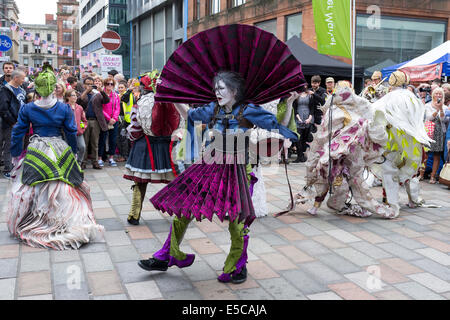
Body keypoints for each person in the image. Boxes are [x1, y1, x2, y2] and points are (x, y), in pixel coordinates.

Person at [137, 71, 298, 284]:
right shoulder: (213, 108)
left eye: (221, 88)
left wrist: (289, 103)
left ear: (234, 90)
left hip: (238, 168)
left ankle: (238, 265)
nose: (217, 92)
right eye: (215, 88)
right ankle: (167, 255)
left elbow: (277, 126)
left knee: (237, 220)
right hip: (209, 164)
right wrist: (173, 97)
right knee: (184, 207)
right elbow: (190, 117)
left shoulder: (249, 109)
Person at [7, 64, 103, 250]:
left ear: (38, 89)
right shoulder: (64, 109)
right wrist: (73, 152)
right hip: (59, 148)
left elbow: (18, 132)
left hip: (37, 148)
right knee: (63, 183)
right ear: (52, 88)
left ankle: (37, 220)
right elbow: (71, 131)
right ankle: (63, 218)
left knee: (35, 186)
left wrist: (16, 153)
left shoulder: (27, 108)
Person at [294, 81, 395, 218]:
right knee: (327, 178)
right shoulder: (334, 110)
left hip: (352, 151)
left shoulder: (357, 108)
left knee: (353, 180)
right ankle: (320, 205)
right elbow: (325, 133)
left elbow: (367, 126)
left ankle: (347, 204)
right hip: (335, 152)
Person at [370, 71, 433, 216]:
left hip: (391, 140)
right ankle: (412, 199)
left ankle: (388, 199)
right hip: (407, 140)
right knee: (409, 168)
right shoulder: (409, 97)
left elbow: (374, 114)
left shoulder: (387, 98)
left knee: (389, 169)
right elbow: (418, 117)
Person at [124, 71, 182, 225]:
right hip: (168, 146)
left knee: (140, 181)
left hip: (146, 145)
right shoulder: (173, 100)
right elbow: (181, 123)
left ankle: (134, 215)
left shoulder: (141, 101)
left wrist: (132, 138)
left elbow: (135, 127)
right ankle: (179, 211)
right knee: (174, 179)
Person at [77, 76, 110, 169]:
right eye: (87, 84)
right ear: (84, 85)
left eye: (91, 84)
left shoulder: (98, 94)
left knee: (95, 143)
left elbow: (107, 100)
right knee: (85, 143)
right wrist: (86, 91)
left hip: (95, 121)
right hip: (84, 121)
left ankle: (95, 162)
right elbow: (79, 102)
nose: (89, 86)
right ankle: (83, 162)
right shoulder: (81, 94)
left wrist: (102, 91)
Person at [0, 70, 27, 179]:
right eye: (22, 78)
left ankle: (14, 167)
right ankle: (7, 169)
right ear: (15, 78)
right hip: (9, 124)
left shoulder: (21, 89)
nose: (23, 80)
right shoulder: (5, 90)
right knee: (8, 146)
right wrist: (12, 122)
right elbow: (3, 109)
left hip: (20, 122)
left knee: (16, 145)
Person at [291, 85, 324, 163]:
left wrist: (309, 118)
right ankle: (299, 156)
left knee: (306, 138)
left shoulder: (310, 95)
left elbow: (312, 108)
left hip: (308, 117)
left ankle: (304, 155)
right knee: (298, 137)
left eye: (305, 86)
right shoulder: (297, 96)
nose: (304, 87)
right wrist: (298, 118)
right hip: (298, 117)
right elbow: (295, 108)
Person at [424, 87, 446, 183]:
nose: (438, 95)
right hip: (429, 131)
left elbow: (443, 120)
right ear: (433, 94)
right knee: (426, 154)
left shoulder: (445, 107)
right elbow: (429, 117)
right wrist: (436, 110)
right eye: (436, 93)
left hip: (439, 131)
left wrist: (441, 109)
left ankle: (433, 176)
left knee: (437, 155)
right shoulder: (428, 105)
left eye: (440, 94)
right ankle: (421, 174)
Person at [98, 78, 120, 167]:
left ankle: (111, 157)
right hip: (104, 120)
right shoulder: (100, 95)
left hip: (114, 120)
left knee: (113, 140)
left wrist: (114, 118)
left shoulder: (116, 95)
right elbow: (100, 108)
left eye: (111, 84)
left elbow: (117, 108)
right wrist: (108, 118)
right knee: (102, 139)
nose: (109, 85)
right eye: (107, 84)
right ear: (104, 84)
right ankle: (100, 158)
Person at [65, 89, 87, 165]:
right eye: (73, 95)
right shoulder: (65, 107)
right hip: (68, 133)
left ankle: (79, 163)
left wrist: (83, 128)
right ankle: (70, 164)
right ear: (68, 97)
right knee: (69, 149)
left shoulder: (79, 107)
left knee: (82, 147)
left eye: (76, 95)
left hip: (78, 132)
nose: (75, 97)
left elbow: (84, 120)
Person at [117, 80, 131, 162]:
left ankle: (125, 156)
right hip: (118, 119)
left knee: (124, 138)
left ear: (125, 88)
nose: (120, 89)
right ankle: (123, 155)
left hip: (125, 119)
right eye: (119, 87)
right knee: (120, 138)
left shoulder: (127, 96)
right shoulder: (117, 96)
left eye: (122, 87)